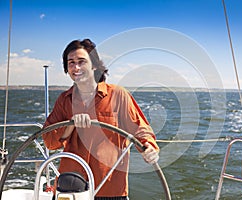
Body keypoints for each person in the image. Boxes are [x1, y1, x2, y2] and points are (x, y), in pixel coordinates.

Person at [42, 39, 159, 200]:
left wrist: (149, 148)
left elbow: (140, 130)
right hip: (71, 187)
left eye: (81, 62)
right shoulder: (64, 100)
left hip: (110, 189)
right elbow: (49, 142)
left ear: (94, 65)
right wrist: (71, 124)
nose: (76, 68)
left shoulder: (118, 95)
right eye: (71, 63)